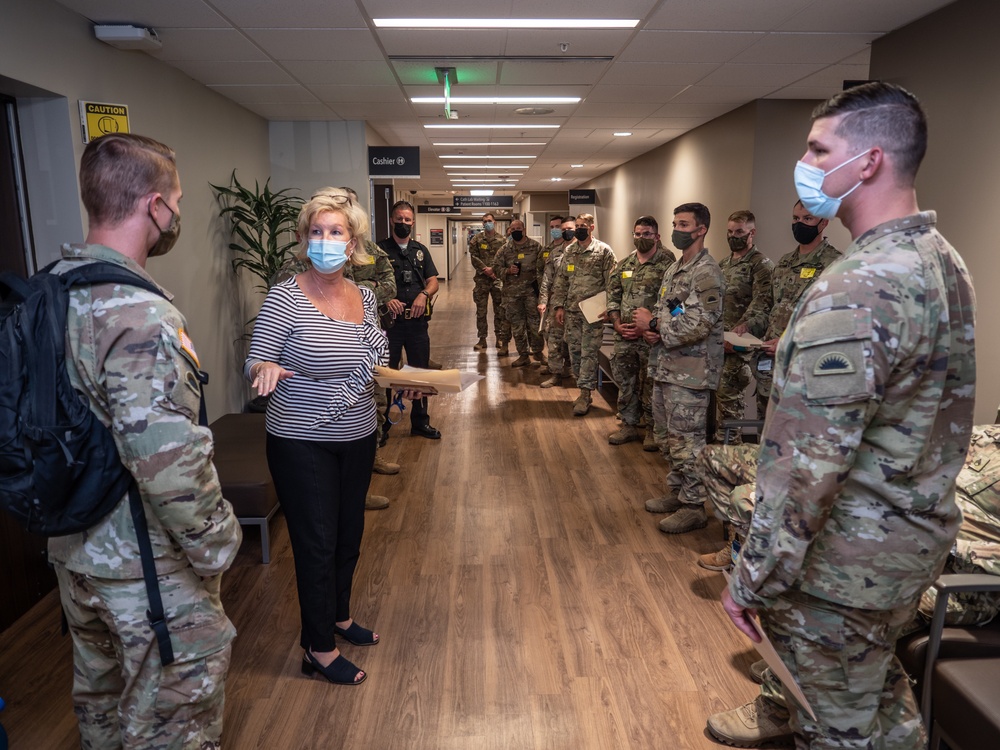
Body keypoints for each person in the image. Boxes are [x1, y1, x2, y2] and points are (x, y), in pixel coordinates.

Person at [719, 82, 977, 749]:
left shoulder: (859, 284)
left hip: (845, 566)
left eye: (817, 147)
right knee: (877, 704)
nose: (803, 163)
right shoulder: (942, 262)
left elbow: (807, 464)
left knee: (836, 728)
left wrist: (751, 580)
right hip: (906, 546)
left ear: (867, 162)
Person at [47, 133, 242, 747]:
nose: (177, 214)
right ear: (154, 205)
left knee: (103, 712)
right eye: (177, 201)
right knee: (170, 724)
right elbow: (168, 459)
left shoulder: (51, 289)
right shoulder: (140, 313)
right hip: (144, 571)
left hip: (75, 554)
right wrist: (218, 542)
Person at [706, 423, 1000, 747]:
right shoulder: (985, 436)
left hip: (966, 582)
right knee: (809, 562)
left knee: (829, 603)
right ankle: (794, 659)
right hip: (904, 546)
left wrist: (948, 543)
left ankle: (778, 703)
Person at [246, 192, 389, 687]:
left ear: (353, 244)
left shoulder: (365, 298)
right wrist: (263, 367)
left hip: (358, 430)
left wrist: (400, 379)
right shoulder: (285, 297)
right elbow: (256, 358)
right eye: (316, 232)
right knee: (317, 541)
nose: (325, 241)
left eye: (336, 233)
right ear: (305, 240)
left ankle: (340, 616)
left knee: (349, 533)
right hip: (300, 437)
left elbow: (373, 358)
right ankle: (318, 646)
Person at [633, 203, 724, 535]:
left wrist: (655, 322)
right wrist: (654, 329)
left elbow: (700, 324)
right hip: (666, 365)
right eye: (674, 223)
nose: (676, 229)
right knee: (668, 439)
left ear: (701, 230)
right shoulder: (676, 269)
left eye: (683, 224)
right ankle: (678, 492)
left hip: (692, 371)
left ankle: (694, 505)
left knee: (688, 441)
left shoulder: (706, 272)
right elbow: (676, 311)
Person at [739, 201, 840, 419]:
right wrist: (747, 326)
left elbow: (831, 321)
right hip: (770, 364)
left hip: (802, 368)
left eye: (807, 219)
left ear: (823, 223)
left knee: (793, 434)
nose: (799, 224)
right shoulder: (785, 263)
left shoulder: (835, 265)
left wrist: (788, 343)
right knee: (765, 431)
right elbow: (768, 307)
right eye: (795, 219)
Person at [605, 215, 674, 449]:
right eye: (638, 234)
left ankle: (653, 429)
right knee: (626, 382)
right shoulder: (624, 265)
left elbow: (674, 303)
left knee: (652, 384)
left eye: (647, 234)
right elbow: (613, 297)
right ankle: (629, 425)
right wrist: (616, 323)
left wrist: (653, 327)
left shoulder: (668, 265)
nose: (641, 238)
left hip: (651, 337)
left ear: (657, 236)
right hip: (624, 336)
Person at [377, 200, 442, 440]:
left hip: (416, 323)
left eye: (407, 220)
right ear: (391, 220)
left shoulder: (420, 250)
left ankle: (420, 422)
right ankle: (382, 426)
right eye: (399, 219)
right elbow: (368, 283)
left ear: (413, 222)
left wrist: (424, 295)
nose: (403, 223)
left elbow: (433, 280)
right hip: (389, 324)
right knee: (387, 373)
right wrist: (385, 299)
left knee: (419, 372)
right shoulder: (378, 250)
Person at [550, 212, 617, 416]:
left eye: (582, 225)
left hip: (594, 313)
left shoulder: (603, 251)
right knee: (575, 352)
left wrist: (610, 308)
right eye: (576, 225)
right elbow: (561, 281)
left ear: (591, 227)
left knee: (588, 352)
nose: (578, 228)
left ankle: (585, 393)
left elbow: (612, 282)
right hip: (572, 312)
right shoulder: (569, 251)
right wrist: (559, 306)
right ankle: (583, 389)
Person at [716, 210, 773, 441]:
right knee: (721, 400)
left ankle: (731, 455)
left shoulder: (761, 265)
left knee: (731, 403)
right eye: (730, 231)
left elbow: (763, 306)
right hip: (719, 345)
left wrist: (736, 337)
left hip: (740, 350)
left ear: (752, 232)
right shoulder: (724, 264)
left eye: (739, 231)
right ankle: (723, 453)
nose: (733, 236)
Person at [493, 218, 545, 367]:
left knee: (534, 325)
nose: (516, 232)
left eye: (518, 229)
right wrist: (507, 271)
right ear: (510, 231)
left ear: (524, 230)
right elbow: (496, 268)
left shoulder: (536, 247)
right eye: (513, 229)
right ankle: (523, 355)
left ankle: (538, 352)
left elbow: (543, 269)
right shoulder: (504, 249)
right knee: (517, 326)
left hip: (531, 293)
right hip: (512, 295)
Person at [539, 216, 576, 388]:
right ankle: (556, 374)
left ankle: (573, 372)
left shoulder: (582, 252)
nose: (566, 232)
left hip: (578, 304)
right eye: (563, 229)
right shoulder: (555, 253)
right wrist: (543, 301)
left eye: (570, 228)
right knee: (553, 339)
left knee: (574, 341)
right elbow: (546, 279)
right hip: (556, 302)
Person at [469, 211, 510, 353]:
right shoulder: (477, 239)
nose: (487, 223)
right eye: (485, 221)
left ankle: (499, 337)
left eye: (489, 220)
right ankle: (482, 339)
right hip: (482, 280)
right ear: (482, 223)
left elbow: (505, 259)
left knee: (499, 311)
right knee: (481, 311)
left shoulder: (502, 240)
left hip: (497, 280)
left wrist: (495, 270)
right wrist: (485, 269)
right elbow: (474, 257)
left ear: (495, 222)